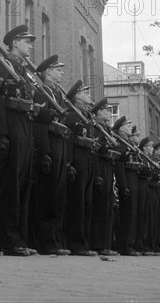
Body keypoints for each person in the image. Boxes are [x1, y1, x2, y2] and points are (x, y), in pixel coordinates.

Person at [0, 25, 36, 257]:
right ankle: (7, 240)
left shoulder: (23, 71)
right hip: (11, 126)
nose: (30, 45)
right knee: (10, 186)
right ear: (15, 43)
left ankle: (19, 237)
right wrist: (1, 134)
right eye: (27, 41)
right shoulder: (4, 65)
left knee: (23, 184)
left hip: (24, 126)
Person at [30, 54, 72, 255]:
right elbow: (39, 124)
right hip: (49, 141)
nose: (62, 72)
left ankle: (55, 239)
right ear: (47, 72)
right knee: (48, 194)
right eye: (58, 70)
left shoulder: (58, 94)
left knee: (58, 194)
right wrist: (44, 151)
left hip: (60, 141)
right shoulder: (42, 92)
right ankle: (46, 242)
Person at [64, 80, 100, 256]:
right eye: (86, 93)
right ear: (77, 96)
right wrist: (69, 163)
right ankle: (76, 244)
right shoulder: (72, 115)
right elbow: (69, 139)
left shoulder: (86, 115)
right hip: (77, 158)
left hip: (88, 158)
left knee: (86, 202)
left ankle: (84, 243)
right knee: (77, 202)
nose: (89, 96)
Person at [90, 99, 119, 256]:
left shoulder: (107, 129)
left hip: (108, 166)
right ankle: (97, 244)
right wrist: (97, 174)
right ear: (98, 112)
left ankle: (105, 244)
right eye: (106, 110)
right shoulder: (96, 128)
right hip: (99, 166)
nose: (109, 113)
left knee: (107, 207)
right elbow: (95, 150)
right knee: (100, 207)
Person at [113, 116, 140, 256]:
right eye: (127, 126)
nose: (130, 128)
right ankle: (123, 245)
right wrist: (123, 185)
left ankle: (129, 244)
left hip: (132, 180)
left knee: (132, 215)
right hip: (125, 180)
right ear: (120, 129)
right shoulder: (120, 144)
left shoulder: (127, 144)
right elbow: (119, 166)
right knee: (126, 215)